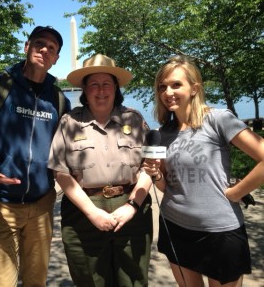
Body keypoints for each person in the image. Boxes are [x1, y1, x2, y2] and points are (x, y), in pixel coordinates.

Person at [142, 55, 264, 287]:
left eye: (176, 84)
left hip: (219, 231)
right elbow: (166, 184)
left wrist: (236, 193)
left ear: (195, 88)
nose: (168, 92)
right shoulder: (163, 133)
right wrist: (156, 174)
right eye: (162, 87)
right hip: (175, 227)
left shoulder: (218, 120)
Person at [0, 26, 71, 286]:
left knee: (36, 281)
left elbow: (67, 148)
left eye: (52, 48)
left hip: (42, 206)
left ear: (56, 58)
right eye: (40, 43)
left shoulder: (58, 100)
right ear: (27, 46)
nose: (45, 50)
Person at [48, 53, 153, 287]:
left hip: (132, 212)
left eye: (107, 84)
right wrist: (92, 212)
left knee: (133, 281)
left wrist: (133, 205)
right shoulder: (69, 123)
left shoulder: (135, 120)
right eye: (93, 84)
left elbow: (148, 168)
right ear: (85, 90)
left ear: (116, 88)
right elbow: (61, 173)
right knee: (90, 281)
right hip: (83, 213)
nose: (101, 90)